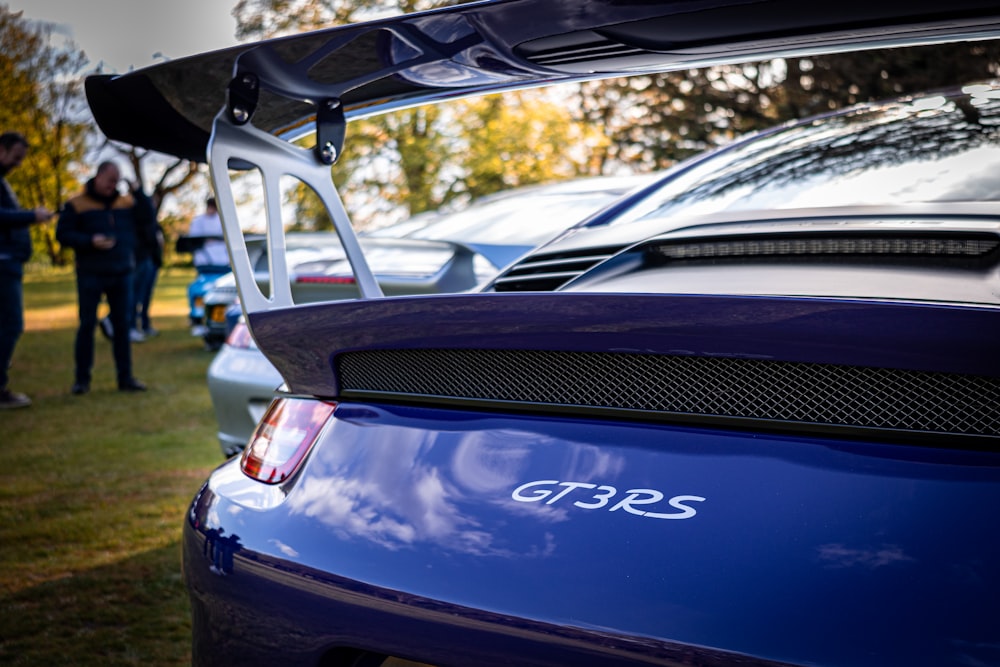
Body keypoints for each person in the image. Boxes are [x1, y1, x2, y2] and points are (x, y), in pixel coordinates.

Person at [56, 161, 155, 394]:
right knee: (87, 325)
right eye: (110, 180)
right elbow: (63, 234)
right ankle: (82, 380)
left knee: (122, 326)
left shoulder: (126, 202)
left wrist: (138, 191)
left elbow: (147, 218)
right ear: (98, 177)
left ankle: (125, 378)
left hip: (122, 271)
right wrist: (89, 241)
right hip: (91, 272)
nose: (113, 186)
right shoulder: (77, 203)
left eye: (116, 181)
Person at [0, 132, 53, 409]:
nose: (18, 164)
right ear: (2, 150)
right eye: (16, 157)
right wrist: (31, 216)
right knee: (10, 324)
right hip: (3, 262)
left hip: (9, 261)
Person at [187, 196, 229, 336]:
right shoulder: (199, 221)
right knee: (198, 292)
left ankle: (220, 321)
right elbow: (195, 240)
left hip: (223, 265)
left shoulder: (223, 220)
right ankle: (198, 320)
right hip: (205, 265)